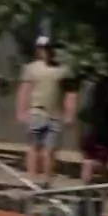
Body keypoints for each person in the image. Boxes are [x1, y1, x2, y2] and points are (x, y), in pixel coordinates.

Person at [17, 36, 76, 187]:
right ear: (39, 50)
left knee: (50, 150)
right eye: (44, 49)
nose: (47, 52)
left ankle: (47, 181)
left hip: (54, 115)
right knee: (33, 148)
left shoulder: (63, 70)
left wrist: (69, 113)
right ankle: (31, 179)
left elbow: (70, 93)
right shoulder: (31, 68)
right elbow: (24, 90)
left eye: (50, 49)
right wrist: (21, 111)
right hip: (36, 112)